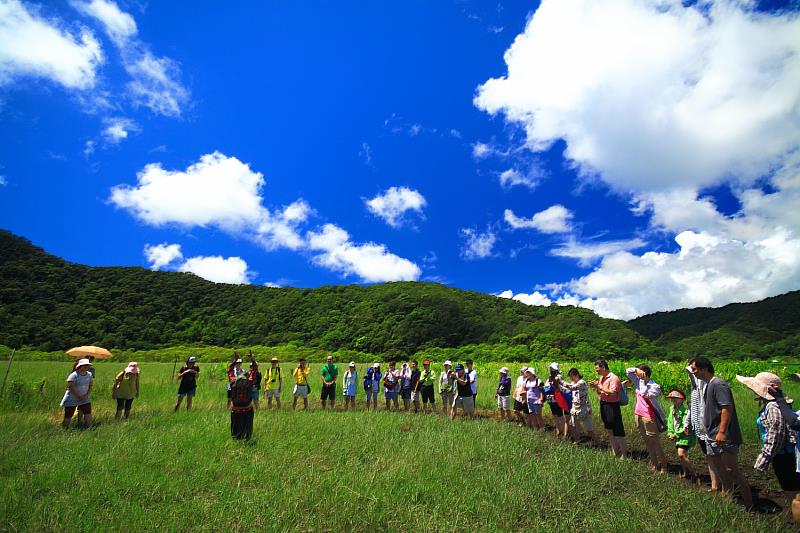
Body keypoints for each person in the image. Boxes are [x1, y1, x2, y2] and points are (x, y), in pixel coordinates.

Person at [690, 357, 753, 509]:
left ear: (704, 368)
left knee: (732, 470)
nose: (693, 372)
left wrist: (722, 431)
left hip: (724, 436)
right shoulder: (707, 385)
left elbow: (726, 408)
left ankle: (750, 505)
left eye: (694, 369)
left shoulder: (718, 384)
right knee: (721, 470)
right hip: (712, 435)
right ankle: (729, 500)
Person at [737, 371, 800, 521]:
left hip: (785, 456)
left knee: (795, 496)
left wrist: (763, 460)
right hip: (787, 454)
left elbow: (776, 435)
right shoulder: (778, 404)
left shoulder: (772, 406)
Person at [627, 364, 668, 474]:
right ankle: (654, 464)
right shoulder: (637, 381)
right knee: (647, 441)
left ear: (646, 374)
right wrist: (636, 370)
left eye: (640, 373)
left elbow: (645, 394)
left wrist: (642, 380)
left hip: (649, 417)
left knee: (655, 442)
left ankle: (664, 466)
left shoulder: (654, 386)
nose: (637, 375)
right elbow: (628, 372)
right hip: (638, 415)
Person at [687, 359, 718, 491]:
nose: (691, 374)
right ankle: (715, 484)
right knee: (708, 456)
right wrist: (688, 423)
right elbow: (692, 408)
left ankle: (722, 486)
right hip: (699, 427)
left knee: (715, 457)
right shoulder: (694, 389)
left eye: (694, 371)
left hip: (708, 428)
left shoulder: (706, 386)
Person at [589, 359, 627, 460]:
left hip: (612, 406)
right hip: (604, 404)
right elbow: (599, 392)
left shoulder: (613, 378)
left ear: (603, 367)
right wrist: (596, 386)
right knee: (609, 429)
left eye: (598, 369)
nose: (597, 372)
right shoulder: (602, 377)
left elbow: (612, 392)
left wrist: (599, 386)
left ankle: (624, 453)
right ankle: (615, 451)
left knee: (617, 430)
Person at [665, 389, 697, 482]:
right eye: (672, 398)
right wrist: (670, 433)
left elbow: (685, 426)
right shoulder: (672, 409)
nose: (673, 399)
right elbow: (670, 422)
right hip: (677, 436)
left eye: (676, 398)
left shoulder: (686, 412)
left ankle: (694, 473)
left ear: (682, 399)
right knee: (681, 456)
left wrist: (676, 434)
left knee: (681, 454)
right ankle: (685, 472)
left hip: (685, 436)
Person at [561, 368, 594, 442]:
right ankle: (577, 440)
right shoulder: (573, 383)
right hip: (575, 407)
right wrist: (557, 386)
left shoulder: (582, 382)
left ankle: (597, 443)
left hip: (584, 407)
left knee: (589, 429)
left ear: (576, 375)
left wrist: (561, 382)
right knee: (572, 425)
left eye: (571, 376)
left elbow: (573, 388)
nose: (570, 378)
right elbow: (566, 390)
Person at [60, 358, 93, 428]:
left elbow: (90, 385)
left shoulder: (89, 374)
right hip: (72, 398)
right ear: (81, 366)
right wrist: (78, 396)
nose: (87, 367)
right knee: (68, 415)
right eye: (85, 365)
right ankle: (64, 428)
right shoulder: (74, 375)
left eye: (88, 365)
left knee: (88, 412)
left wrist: (86, 395)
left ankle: (90, 427)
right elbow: (70, 387)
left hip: (84, 398)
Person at [544, 362, 568, 439]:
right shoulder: (549, 377)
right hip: (550, 399)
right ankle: (558, 430)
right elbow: (546, 386)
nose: (551, 370)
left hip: (557, 398)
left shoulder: (559, 377)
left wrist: (552, 386)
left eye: (553, 368)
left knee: (560, 415)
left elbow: (559, 388)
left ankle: (564, 432)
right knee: (554, 415)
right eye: (551, 368)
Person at [230, 374, 254, 440]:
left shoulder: (231, 385)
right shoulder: (249, 385)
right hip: (247, 409)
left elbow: (229, 397)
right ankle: (247, 437)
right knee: (247, 425)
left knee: (236, 425)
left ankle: (235, 437)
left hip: (236, 410)